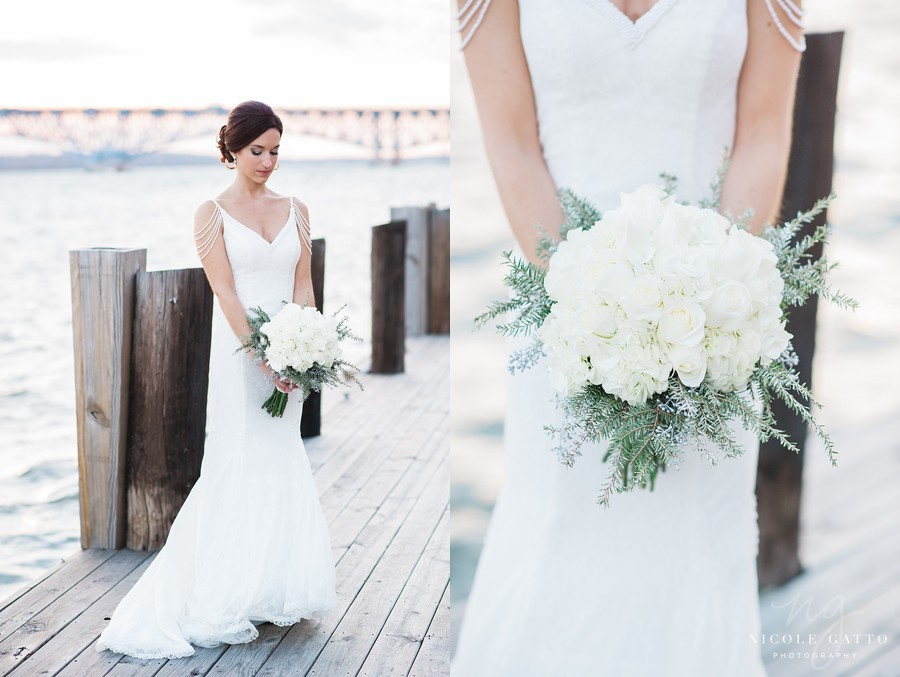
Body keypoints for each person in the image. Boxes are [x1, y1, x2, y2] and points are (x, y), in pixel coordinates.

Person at [452, 1, 804, 674]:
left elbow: (762, 132)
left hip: (711, 336)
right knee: (556, 542)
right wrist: (591, 312)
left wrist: (710, 304)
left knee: (694, 555)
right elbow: (512, 142)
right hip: (561, 318)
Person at [96, 101, 336, 659]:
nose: (268, 162)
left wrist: (307, 347)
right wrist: (261, 355)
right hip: (240, 357)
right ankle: (225, 589)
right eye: (258, 151)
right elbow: (225, 292)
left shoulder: (297, 209)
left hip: (291, 354)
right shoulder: (210, 213)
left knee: (281, 458)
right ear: (232, 149)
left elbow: (304, 283)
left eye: (276, 151)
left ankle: (270, 586)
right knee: (239, 459)